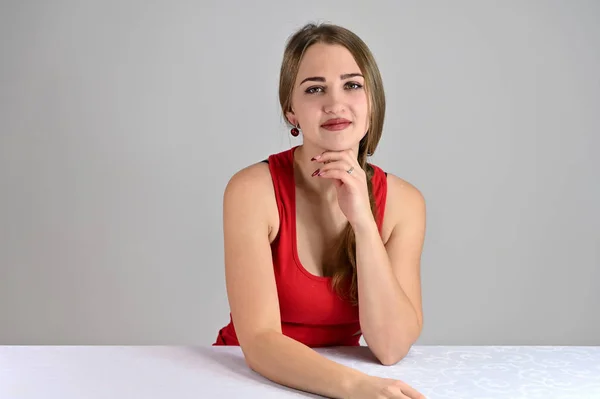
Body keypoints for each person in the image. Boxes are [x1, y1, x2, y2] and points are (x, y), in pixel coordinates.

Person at [213, 22, 427, 399]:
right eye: (315, 89)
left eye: (352, 85)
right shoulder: (251, 191)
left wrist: (363, 220)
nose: (334, 104)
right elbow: (260, 340)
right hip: (246, 378)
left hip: (342, 378)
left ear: (372, 101)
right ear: (291, 112)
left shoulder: (404, 203)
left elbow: (391, 347)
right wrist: (357, 387)